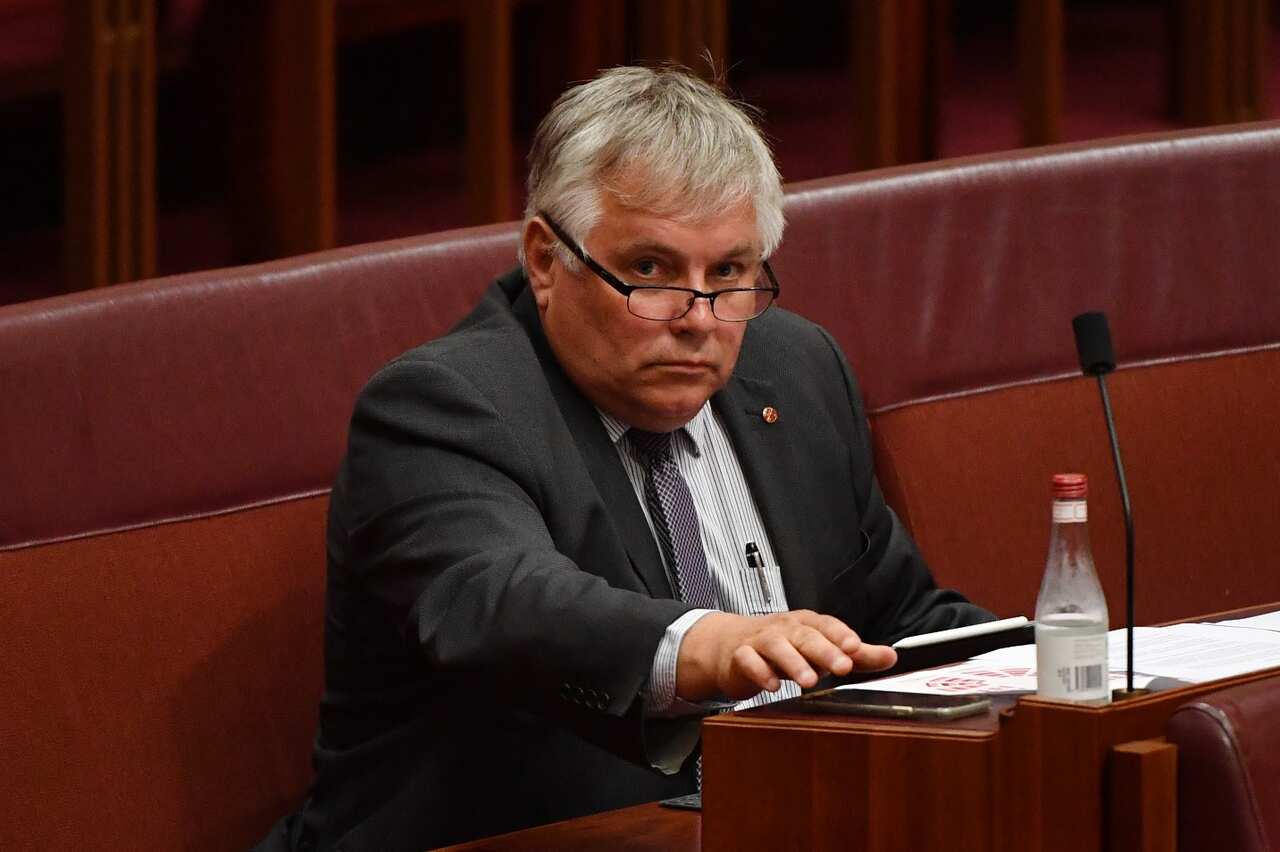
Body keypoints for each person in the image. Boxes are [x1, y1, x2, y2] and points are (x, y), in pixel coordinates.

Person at [284, 66, 992, 852]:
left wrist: (1058, 669)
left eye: (727, 274)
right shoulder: (442, 406)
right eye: (651, 271)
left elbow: (897, 620)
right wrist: (702, 644)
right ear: (546, 261)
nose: (697, 319)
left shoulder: (794, 369)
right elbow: (504, 601)